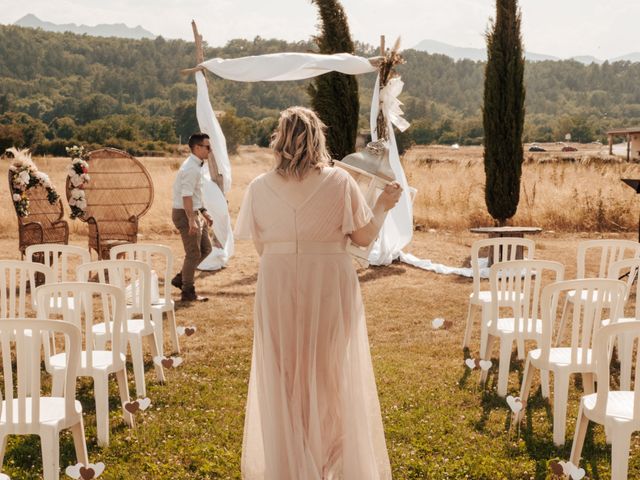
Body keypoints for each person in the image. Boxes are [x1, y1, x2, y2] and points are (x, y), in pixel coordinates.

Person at [235, 106, 401, 479]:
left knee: (283, 375)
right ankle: (329, 462)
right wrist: (383, 205)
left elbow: (262, 247)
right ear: (318, 138)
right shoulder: (339, 182)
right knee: (329, 374)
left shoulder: (258, 187)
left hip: (276, 285)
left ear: (280, 139)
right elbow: (361, 237)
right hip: (328, 282)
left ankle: (292, 463)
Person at [171, 132, 214, 302]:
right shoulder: (190, 168)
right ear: (197, 148)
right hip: (185, 214)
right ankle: (188, 292)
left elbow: (195, 195)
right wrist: (191, 219)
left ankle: (181, 278)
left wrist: (203, 212)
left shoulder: (196, 166)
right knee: (193, 254)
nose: (210, 151)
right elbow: (186, 196)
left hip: (194, 212)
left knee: (206, 249)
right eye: (207, 147)